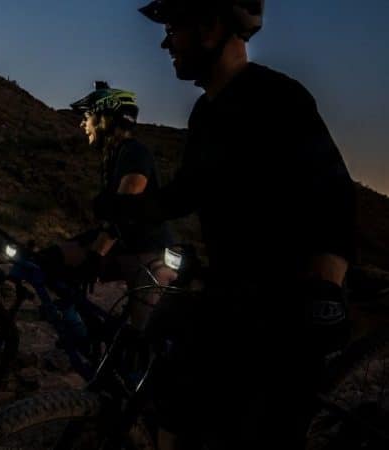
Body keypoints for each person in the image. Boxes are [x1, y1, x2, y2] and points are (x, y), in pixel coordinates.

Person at [103, 1, 358, 448]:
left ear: (209, 27)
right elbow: (188, 191)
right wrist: (128, 209)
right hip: (230, 290)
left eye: (173, 28)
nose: (165, 43)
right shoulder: (205, 113)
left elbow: (335, 194)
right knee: (170, 387)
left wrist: (325, 288)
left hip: (286, 304)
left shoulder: (279, 97)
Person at [45, 82, 177, 330]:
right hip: (122, 246)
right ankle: (83, 328)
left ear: (105, 119)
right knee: (49, 260)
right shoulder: (113, 157)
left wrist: (96, 255)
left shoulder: (134, 152)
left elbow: (123, 211)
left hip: (147, 251)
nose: (82, 124)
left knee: (143, 337)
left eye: (87, 117)